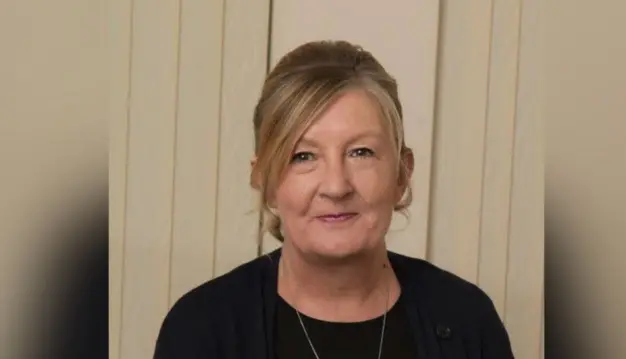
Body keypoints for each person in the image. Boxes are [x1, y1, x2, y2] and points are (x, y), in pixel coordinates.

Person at [154, 40, 514, 359]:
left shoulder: (467, 319)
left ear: (402, 173)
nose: (336, 186)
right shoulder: (201, 330)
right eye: (303, 156)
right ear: (264, 179)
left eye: (360, 152)